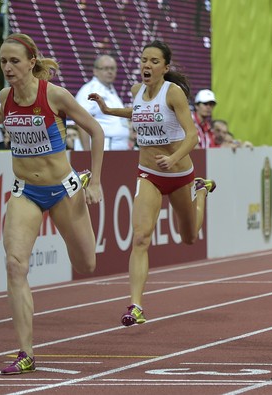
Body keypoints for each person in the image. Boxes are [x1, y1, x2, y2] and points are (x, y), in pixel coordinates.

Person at [0, 33, 105, 374]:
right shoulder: (5, 96)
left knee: (86, 264)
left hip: (62, 189)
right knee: (15, 265)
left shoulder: (54, 95)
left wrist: (97, 181)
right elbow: (0, 115)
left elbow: (96, 131)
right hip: (25, 191)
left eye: (15, 61)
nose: (8, 68)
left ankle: (82, 178)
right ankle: (25, 352)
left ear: (31, 62)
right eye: (3, 62)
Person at [88, 40, 216, 327]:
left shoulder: (175, 94)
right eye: (144, 60)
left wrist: (174, 159)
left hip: (179, 174)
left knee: (190, 238)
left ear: (165, 67)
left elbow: (192, 136)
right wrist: (109, 111)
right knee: (141, 238)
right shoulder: (136, 91)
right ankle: (136, 305)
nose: (146, 65)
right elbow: (138, 113)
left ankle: (202, 191)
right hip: (148, 174)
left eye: (154, 61)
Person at [74, 55, 130, 150]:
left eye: (112, 68)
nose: (110, 72)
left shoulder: (110, 90)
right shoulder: (89, 90)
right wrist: (86, 154)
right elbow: (81, 121)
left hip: (119, 148)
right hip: (104, 147)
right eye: (105, 68)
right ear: (95, 71)